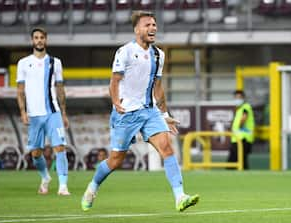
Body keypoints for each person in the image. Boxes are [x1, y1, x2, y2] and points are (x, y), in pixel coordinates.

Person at [81, 11, 199, 212]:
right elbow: (114, 81)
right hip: (126, 113)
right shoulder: (125, 52)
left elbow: (158, 87)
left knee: (167, 149)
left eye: (154, 24)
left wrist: (164, 114)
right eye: (147, 25)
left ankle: (180, 197)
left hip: (150, 111)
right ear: (137, 30)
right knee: (116, 160)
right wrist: (116, 102)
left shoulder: (158, 54)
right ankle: (92, 187)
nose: (152, 28)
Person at [16, 27, 70, 195]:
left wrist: (64, 112)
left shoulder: (56, 62)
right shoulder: (23, 63)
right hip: (34, 115)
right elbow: (20, 90)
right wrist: (23, 112)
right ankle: (45, 177)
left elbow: (60, 89)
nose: (39, 40)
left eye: (42, 37)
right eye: (36, 37)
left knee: (60, 147)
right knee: (35, 153)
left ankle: (63, 186)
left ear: (46, 40)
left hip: (53, 113)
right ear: (32, 40)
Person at [228, 90, 255, 169]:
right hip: (237, 139)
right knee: (240, 161)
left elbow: (244, 117)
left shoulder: (246, 107)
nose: (237, 99)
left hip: (243, 139)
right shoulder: (238, 109)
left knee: (237, 161)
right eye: (236, 97)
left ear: (243, 98)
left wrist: (240, 125)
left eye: (239, 97)